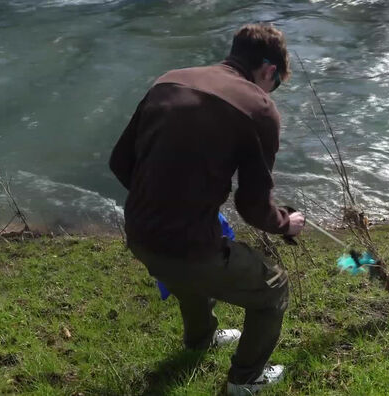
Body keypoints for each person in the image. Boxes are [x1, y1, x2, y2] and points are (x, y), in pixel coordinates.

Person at [109, 23, 305, 395]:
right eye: (277, 82)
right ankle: (245, 381)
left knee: (191, 274)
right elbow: (252, 206)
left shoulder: (169, 81)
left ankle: (200, 341)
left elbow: (121, 163)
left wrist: (169, 205)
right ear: (268, 71)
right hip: (187, 246)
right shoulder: (259, 108)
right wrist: (286, 223)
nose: (272, 90)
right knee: (274, 289)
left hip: (138, 232)